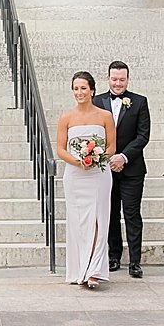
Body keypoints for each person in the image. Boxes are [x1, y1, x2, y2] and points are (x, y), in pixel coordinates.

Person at [56, 71, 115, 289]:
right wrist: (78, 161)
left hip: (98, 175)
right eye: (76, 88)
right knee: (78, 222)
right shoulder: (66, 118)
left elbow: (111, 146)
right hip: (75, 175)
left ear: (92, 90)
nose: (79, 92)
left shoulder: (105, 116)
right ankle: (79, 268)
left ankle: (95, 271)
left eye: (83, 88)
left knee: (98, 220)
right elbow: (61, 149)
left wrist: (98, 158)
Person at [96, 60, 150, 277]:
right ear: (108, 78)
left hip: (132, 169)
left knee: (132, 214)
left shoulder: (139, 102)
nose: (118, 83)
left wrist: (124, 157)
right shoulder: (97, 101)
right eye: (114, 79)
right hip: (105, 168)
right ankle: (113, 257)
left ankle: (135, 262)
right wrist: (108, 157)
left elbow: (143, 135)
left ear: (128, 79)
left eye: (122, 79)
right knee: (110, 214)